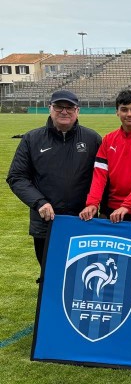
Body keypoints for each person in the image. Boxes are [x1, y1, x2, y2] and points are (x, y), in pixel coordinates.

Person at [6, 90, 102, 280]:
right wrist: (39, 202)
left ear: (77, 110)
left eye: (69, 108)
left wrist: (95, 204)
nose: (64, 111)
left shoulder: (93, 139)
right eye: (59, 107)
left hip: (83, 221)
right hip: (46, 223)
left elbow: (103, 177)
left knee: (83, 274)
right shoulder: (32, 139)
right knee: (50, 274)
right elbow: (16, 177)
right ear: (50, 108)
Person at [79, 90, 131, 223]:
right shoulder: (108, 140)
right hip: (114, 210)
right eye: (124, 110)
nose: (129, 114)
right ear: (117, 111)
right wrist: (93, 203)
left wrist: (127, 205)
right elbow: (100, 174)